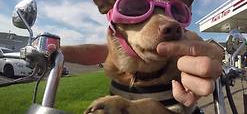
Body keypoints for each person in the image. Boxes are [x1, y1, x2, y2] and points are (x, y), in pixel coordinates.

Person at [50, 30, 224, 107]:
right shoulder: (120, 47)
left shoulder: (184, 44)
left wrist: (213, 64)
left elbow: (205, 53)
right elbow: (95, 50)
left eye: (177, 11)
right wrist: (54, 51)